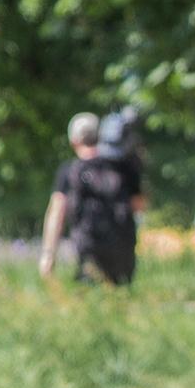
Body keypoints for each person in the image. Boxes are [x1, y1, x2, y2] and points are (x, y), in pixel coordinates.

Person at [42, 111, 144, 285]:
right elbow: (139, 205)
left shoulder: (70, 170)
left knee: (90, 298)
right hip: (122, 248)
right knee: (120, 301)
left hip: (88, 248)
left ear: (73, 140)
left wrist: (49, 254)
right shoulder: (123, 167)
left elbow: (56, 213)